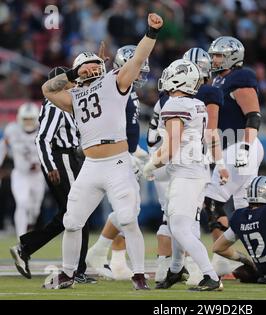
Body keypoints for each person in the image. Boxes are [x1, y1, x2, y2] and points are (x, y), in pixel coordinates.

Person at [41, 13, 163, 290]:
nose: (93, 69)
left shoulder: (114, 82)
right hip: (91, 166)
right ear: (77, 72)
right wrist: (73, 75)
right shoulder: (72, 97)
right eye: (87, 67)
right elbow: (47, 89)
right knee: (72, 222)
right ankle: (68, 274)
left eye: (96, 64)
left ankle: (139, 275)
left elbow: (138, 59)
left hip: (117, 162)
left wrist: (151, 32)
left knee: (128, 219)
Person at [149, 48, 229, 285]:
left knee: (181, 226)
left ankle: (210, 275)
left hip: (186, 171)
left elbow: (171, 146)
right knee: (177, 222)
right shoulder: (196, 104)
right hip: (193, 169)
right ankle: (175, 269)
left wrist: (151, 164)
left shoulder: (177, 104)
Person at [9, 67, 95, 284]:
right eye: (70, 80)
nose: (74, 83)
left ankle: (27, 247)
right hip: (61, 159)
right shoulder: (55, 105)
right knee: (77, 212)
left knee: (73, 213)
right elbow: (43, 138)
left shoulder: (66, 102)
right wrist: (49, 165)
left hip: (69, 158)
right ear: (59, 83)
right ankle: (76, 269)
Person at [85, 44, 151, 281]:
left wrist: (138, 152)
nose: (142, 73)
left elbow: (129, 126)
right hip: (114, 155)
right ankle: (100, 253)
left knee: (129, 211)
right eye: (138, 68)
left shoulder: (128, 87)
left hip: (126, 152)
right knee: (128, 211)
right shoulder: (114, 85)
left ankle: (115, 259)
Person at [203, 36, 264, 276]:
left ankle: (222, 259)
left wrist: (246, 147)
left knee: (211, 201)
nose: (214, 59)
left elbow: (253, 116)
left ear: (232, 56)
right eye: (213, 55)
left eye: (218, 55)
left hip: (240, 145)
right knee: (246, 209)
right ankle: (264, 258)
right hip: (231, 147)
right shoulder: (218, 80)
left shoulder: (240, 77)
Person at [0, 102, 45, 239]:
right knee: (22, 203)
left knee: (35, 209)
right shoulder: (12, 130)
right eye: (25, 119)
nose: (28, 122)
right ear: (20, 118)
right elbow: (3, 146)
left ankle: (30, 225)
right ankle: (22, 238)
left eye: (31, 119)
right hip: (20, 174)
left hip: (38, 175)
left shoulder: (43, 129)